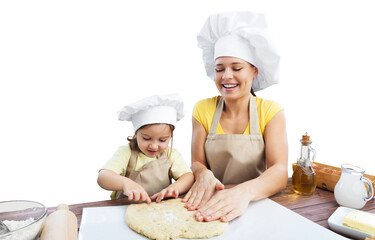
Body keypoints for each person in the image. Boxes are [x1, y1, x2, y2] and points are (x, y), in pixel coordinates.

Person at [182, 11, 288, 222]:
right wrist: (203, 174)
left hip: (256, 203)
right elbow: (196, 162)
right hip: (209, 204)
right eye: (219, 69)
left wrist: (243, 193)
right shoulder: (203, 109)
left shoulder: (271, 112)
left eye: (236, 68)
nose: (226, 76)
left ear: (254, 71)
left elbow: (280, 170)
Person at [98, 94, 194, 204]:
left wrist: (174, 188)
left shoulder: (171, 155)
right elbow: (103, 177)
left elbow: (188, 177)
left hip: (160, 208)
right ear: (136, 134)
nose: (153, 146)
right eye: (146, 138)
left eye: (162, 140)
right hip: (126, 207)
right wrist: (125, 183)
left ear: (170, 137)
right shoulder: (126, 152)